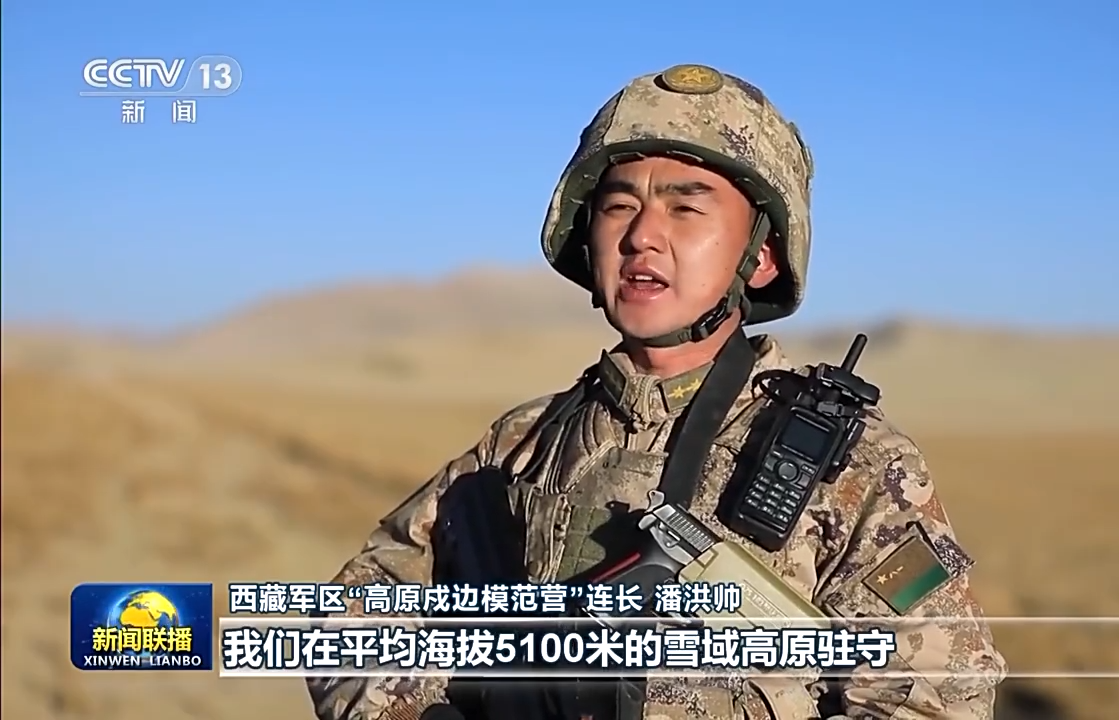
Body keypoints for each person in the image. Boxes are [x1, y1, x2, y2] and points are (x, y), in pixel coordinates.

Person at [306, 63, 1007, 720]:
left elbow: (939, 694)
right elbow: (355, 611)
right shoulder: (520, 444)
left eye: (685, 209)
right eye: (619, 206)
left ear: (761, 256)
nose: (642, 235)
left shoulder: (855, 465)